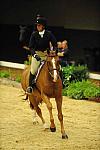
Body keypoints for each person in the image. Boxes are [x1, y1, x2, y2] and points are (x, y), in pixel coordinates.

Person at [26, 15, 57, 94]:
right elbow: (31, 47)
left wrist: (54, 52)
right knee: (33, 70)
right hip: (37, 55)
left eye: (39, 25)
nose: (37, 27)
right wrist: (35, 55)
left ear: (43, 26)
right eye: (37, 25)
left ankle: (61, 84)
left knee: (56, 68)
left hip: (47, 55)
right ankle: (30, 87)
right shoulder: (34, 34)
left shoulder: (49, 34)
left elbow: (55, 44)